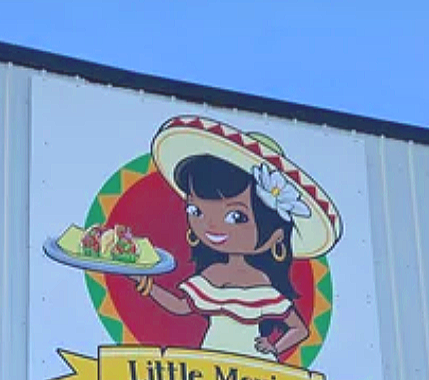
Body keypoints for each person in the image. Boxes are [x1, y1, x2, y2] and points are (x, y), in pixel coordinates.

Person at [135, 116, 341, 361]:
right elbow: (180, 306)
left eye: (235, 216)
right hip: (210, 365)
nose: (210, 225)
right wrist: (146, 284)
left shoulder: (263, 283)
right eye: (195, 211)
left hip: (258, 374)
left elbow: (299, 329)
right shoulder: (213, 273)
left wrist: (274, 347)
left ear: (276, 236)